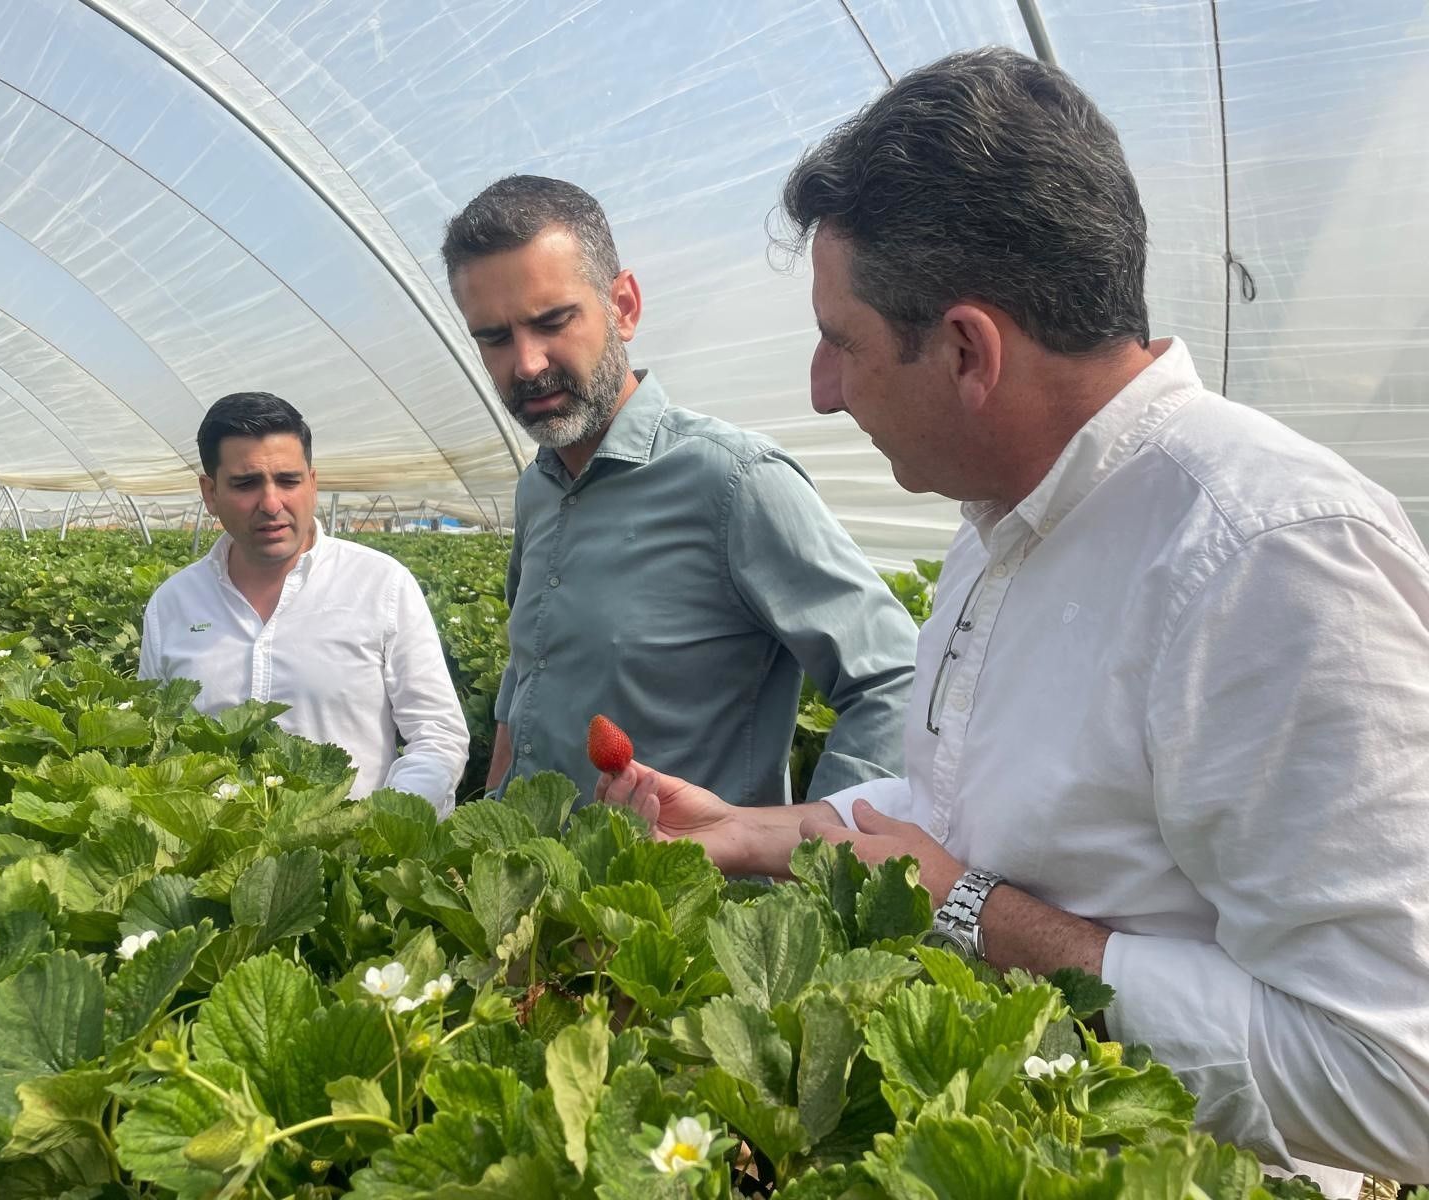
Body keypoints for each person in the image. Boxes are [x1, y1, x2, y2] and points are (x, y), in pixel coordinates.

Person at [596, 48, 1429, 1195]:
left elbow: (1393, 1080)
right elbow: (961, 811)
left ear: (967, 351)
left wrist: (980, 919)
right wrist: (756, 830)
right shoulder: (997, 519)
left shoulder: (1267, 555)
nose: (821, 388)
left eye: (842, 341)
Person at [440, 175, 918, 808]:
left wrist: (812, 852)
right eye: (494, 338)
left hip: (687, 899)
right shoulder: (539, 487)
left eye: (552, 321)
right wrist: (495, 801)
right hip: (530, 895)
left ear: (624, 306)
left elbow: (893, 678)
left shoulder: (733, 481)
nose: (526, 363)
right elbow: (526, 674)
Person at [139, 392, 469, 816]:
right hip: (210, 862)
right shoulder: (172, 605)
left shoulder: (381, 585)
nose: (272, 504)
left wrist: (387, 824)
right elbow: (153, 741)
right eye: (246, 484)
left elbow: (437, 732)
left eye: (289, 480)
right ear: (210, 492)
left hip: (354, 864)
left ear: (312, 482)